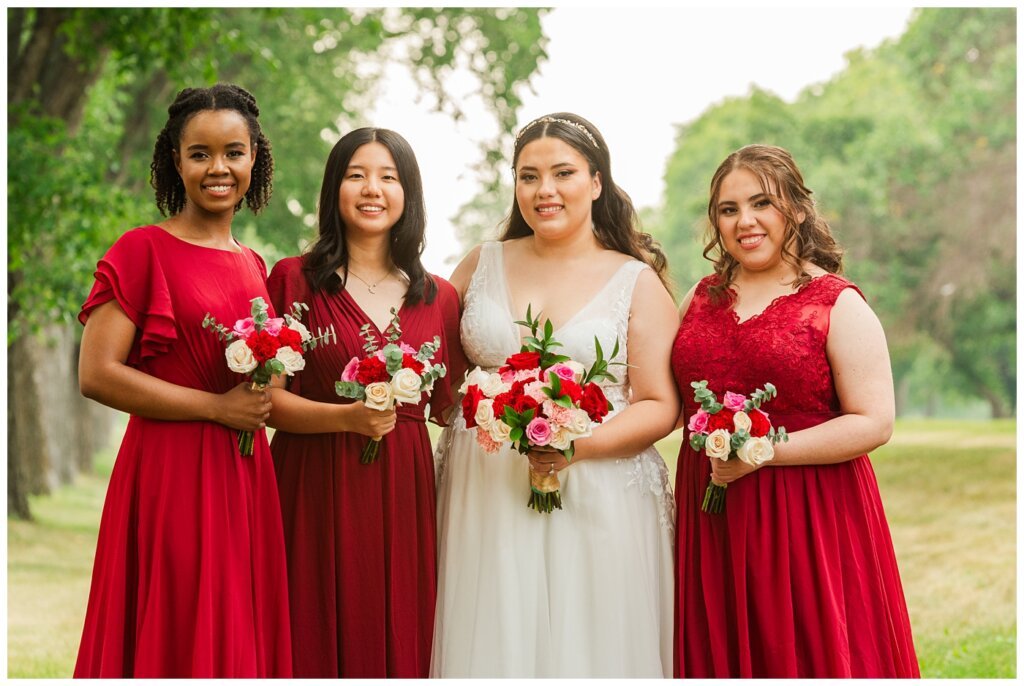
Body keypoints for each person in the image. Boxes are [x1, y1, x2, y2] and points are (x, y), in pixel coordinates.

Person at [431, 113, 680, 677]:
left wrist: (577, 448)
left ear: (596, 183)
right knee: (493, 629)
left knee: (589, 639)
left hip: (599, 485)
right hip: (485, 486)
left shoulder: (634, 280)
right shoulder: (480, 262)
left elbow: (660, 404)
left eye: (562, 173)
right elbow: (439, 373)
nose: (544, 190)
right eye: (528, 176)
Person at [672, 144, 919, 677]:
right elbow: (669, 399)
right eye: (728, 209)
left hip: (808, 514)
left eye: (763, 203)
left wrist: (763, 454)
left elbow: (874, 421)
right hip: (710, 509)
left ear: (798, 209)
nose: (745, 222)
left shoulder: (836, 302)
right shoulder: (698, 297)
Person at [74, 84, 291, 677]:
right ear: (176, 160)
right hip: (170, 470)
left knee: (234, 628)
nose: (218, 168)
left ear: (255, 158)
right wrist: (216, 409)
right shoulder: (141, 250)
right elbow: (96, 374)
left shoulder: (253, 265)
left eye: (233, 152)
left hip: (244, 475)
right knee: (178, 622)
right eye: (200, 154)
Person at [265, 127, 464, 678]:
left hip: (403, 487)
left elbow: (450, 408)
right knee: (310, 624)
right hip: (311, 480)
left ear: (409, 193)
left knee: (399, 624)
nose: (371, 189)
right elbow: (267, 404)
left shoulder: (439, 296)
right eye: (356, 175)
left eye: (388, 176)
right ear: (335, 189)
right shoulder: (293, 279)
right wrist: (346, 418)